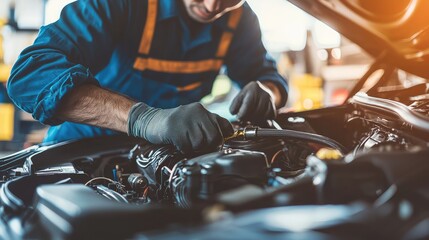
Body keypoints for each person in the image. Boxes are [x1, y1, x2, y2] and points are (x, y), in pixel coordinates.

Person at [7, 0, 288, 153]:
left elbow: (264, 75)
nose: (213, 6)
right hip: (82, 150)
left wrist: (268, 91)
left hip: (171, 157)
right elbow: (30, 74)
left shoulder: (240, 18)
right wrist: (142, 119)